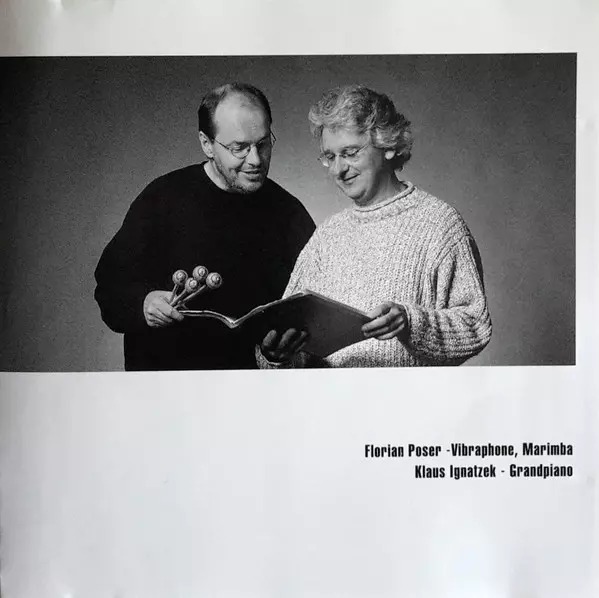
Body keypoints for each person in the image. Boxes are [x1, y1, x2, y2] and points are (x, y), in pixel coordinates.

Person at [258, 84, 492, 368]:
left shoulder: (439, 224)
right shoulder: (327, 236)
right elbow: (289, 338)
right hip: (330, 396)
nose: (338, 170)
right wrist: (275, 356)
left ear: (388, 146)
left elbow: (475, 324)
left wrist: (411, 322)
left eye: (350, 153)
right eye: (330, 157)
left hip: (407, 396)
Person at [95, 83, 315, 370]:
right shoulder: (162, 199)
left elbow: (313, 318)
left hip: (250, 390)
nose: (255, 160)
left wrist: (283, 354)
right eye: (239, 148)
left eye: (263, 144)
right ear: (206, 144)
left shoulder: (290, 213)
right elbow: (111, 286)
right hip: (165, 387)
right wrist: (143, 304)